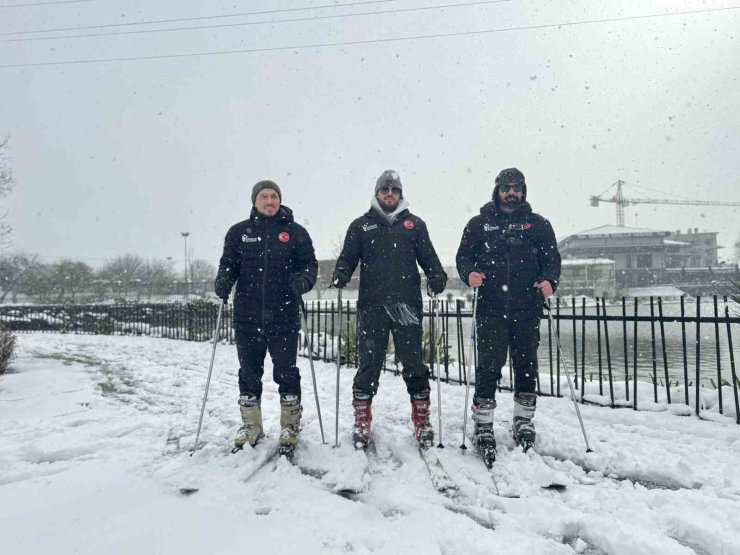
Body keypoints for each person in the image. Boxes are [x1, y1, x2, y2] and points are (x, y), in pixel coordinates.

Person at [332, 170, 447, 450]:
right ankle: (362, 420)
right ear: (377, 193)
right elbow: (348, 257)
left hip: (406, 304)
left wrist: (436, 275)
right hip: (373, 305)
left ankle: (422, 421)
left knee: (413, 362)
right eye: (385, 190)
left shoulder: (414, 225)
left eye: (394, 190)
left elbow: (429, 257)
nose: (389, 195)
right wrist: (341, 272)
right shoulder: (361, 226)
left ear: (400, 194)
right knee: (369, 363)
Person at [455, 167, 560, 462]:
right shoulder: (479, 224)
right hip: (491, 306)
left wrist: (551, 280)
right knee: (489, 365)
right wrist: (469, 274)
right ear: (497, 190)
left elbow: (552, 259)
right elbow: (463, 256)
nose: (511, 193)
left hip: (527, 306)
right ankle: (483, 423)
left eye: (516, 188)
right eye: (506, 188)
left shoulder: (538, 225)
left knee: (526, 364)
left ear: (523, 191)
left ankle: (523, 420)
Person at [214, 180, 318, 458]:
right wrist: (223, 280)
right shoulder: (239, 233)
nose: (269, 201)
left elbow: (310, 266)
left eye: (274, 196)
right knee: (249, 372)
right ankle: (251, 424)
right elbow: (228, 264)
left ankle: (290, 424)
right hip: (247, 316)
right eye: (264, 196)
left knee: (286, 371)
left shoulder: (295, 233)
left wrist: (303, 281)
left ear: (280, 200)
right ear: (254, 201)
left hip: (283, 314)